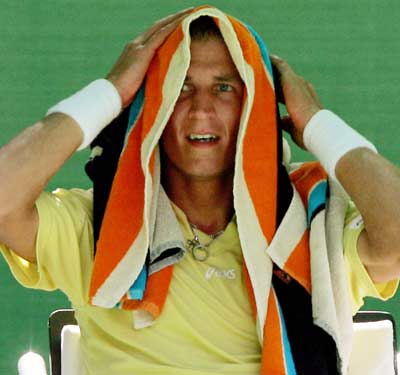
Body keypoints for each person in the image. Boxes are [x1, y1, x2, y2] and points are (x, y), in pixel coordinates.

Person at [0, 6, 399, 375]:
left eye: (224, 88)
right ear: (153, 106)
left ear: (255, 106)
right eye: (181, 88)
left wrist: (315, 121)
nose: (201, 109)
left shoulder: (309, 229)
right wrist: (110, 93)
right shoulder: (99, 225)